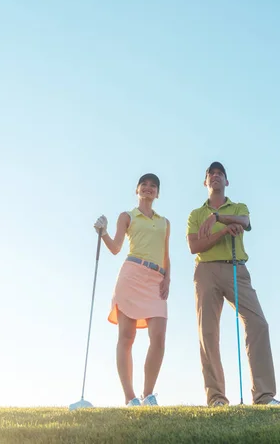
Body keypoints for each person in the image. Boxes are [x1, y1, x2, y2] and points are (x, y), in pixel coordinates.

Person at [186, 162, 280, 407]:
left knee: (258, 323)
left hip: (236, 269)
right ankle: (216, 398)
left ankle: (264, 395)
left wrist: (218, 217)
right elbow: (194, 246)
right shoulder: (195, 214)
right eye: (211, 174)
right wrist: (223, 230)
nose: (215, 176)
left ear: (226, 182)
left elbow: (245, 221)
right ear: (205, 182)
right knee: (208, 332)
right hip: (206, 271)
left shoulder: (238, 206)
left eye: (220, 174)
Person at [94, 173, 170, 407]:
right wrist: (103, 232)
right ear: (137, 190)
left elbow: (166, 254)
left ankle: (148, 395)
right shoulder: (127, 216)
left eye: (153, 186)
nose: (148, 188)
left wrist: (168, 277)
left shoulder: (164, 222)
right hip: (131, 276)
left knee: (158, 338)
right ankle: (130, 397)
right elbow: (116, 248)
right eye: (144, 185)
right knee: (127, 337)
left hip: (155, 279)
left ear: (157, 193)